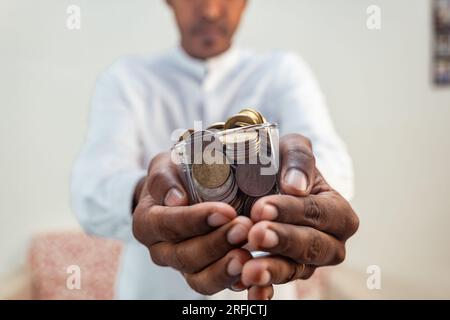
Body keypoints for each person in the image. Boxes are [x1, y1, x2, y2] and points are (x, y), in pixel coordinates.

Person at [71, 0, 359, 300]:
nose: (209, 10)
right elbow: (90, 191)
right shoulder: (125, 78)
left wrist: (304, 183)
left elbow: (334, 168)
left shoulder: (283, 71)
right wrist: (147, 192)